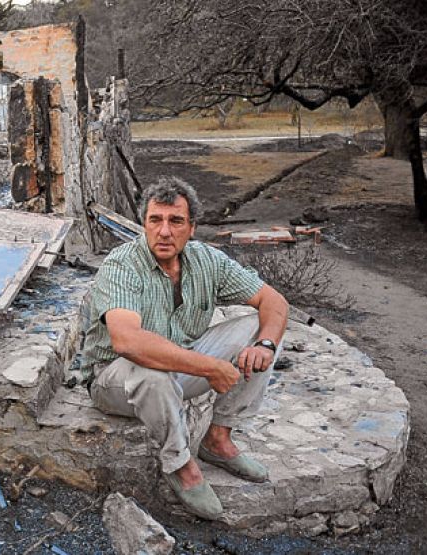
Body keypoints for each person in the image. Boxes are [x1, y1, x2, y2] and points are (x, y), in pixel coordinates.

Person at [82, 176, 289, 519]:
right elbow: (126, 341)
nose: (164, 231)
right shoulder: (121, 265)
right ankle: (180, 465)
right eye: (155, 220)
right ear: (144, 224)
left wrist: (265, 344)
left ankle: (218, 439)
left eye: (175, 221)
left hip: (179, 365)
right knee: (154, 376)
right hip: (116, 378)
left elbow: (274, 301)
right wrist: (209, 367)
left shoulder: (207, 261)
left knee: (259, 329)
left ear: (191, 227)